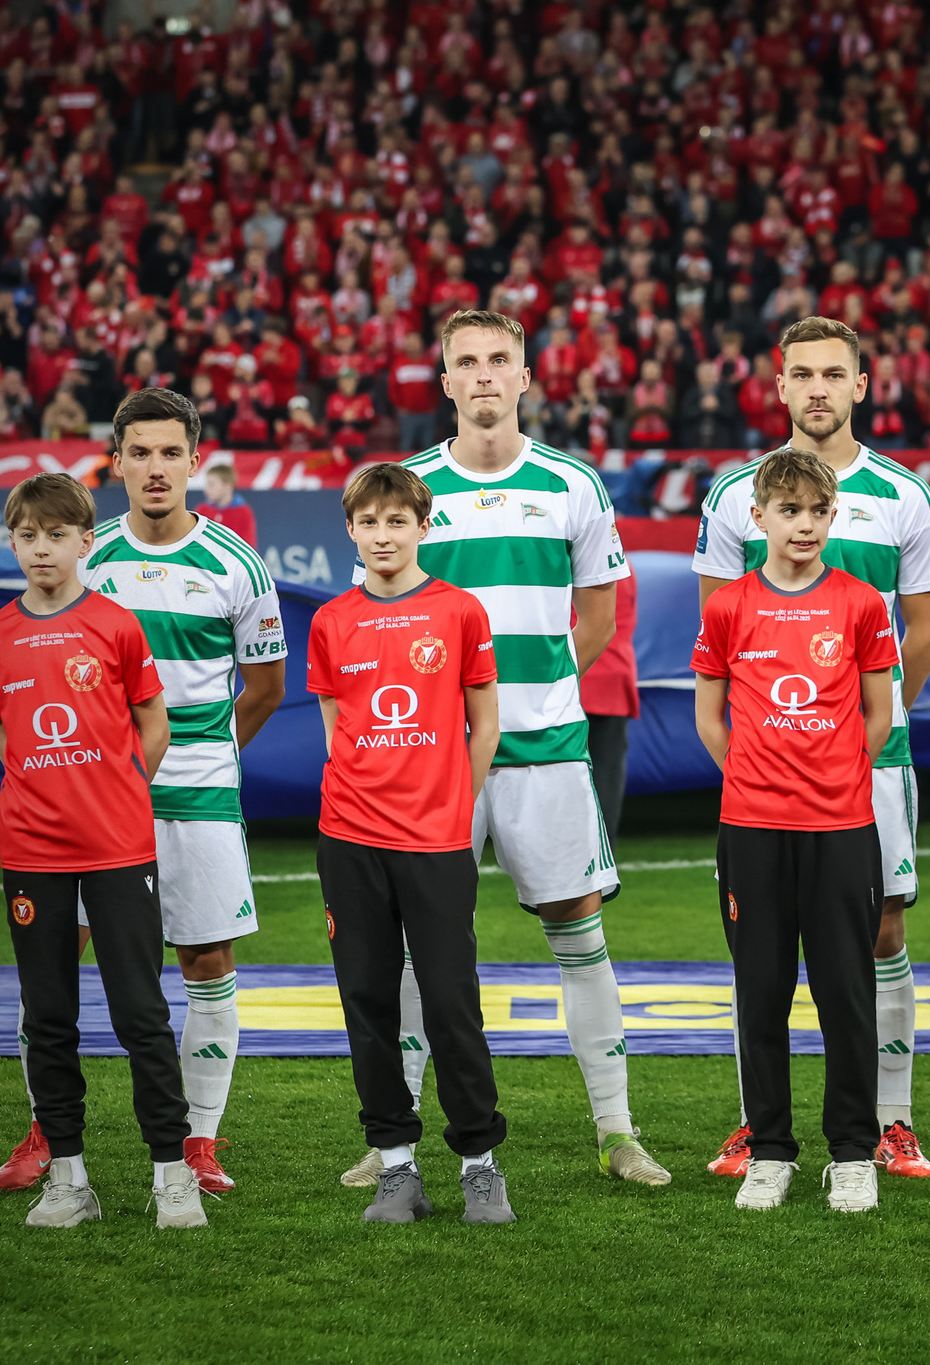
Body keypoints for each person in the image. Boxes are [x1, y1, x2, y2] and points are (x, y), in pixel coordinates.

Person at [340, 309, 669, 1187]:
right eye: (467, 361)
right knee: (419, 946)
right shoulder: (406, 487)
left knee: (578, 930)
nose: (483, 374)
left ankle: (617, 1130)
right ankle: (392, 1136)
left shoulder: (573, 484)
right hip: (432, 759)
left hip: (547, 750)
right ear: (446, 381)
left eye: (498, 360)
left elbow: (596, 619)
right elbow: (375, 620)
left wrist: (532, 688)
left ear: (524, 377)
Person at [0, 390, 286, 1197]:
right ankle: (47, 1132)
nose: (156, 468)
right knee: (57, 961)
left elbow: (265, 686)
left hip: (199, 792)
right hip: (89, 796)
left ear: (196, 460)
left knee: (206, 958)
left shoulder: (238, 564)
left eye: (171, 452)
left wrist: (208, 754)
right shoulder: (88, 556)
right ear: (115, 462)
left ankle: (198, 1141)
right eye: (141, 452)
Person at [691, 315, 930, 1181]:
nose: (818, 389)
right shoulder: (735, 494)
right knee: (759, 958)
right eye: (802, 374)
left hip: (869, 756)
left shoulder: (905, 493)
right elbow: (725, 636)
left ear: (860, 385)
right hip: (766, 776)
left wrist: (861, 734)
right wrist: (756, 761)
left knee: (882, 930)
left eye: (834, 374)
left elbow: (924, 631)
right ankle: (756, 1127)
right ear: (780, 386)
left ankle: (890, 1121)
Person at [0, 472, 202, 1231]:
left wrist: (119, 790)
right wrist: (41, 794)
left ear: (85, 541)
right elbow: (4, 731)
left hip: (118, 846)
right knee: (48, 1017)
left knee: (141, 1012)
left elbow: (154, 723)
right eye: (27, 536)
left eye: (56, 535)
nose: (41, 548)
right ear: (13, 543)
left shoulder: (116, 624)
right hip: (31, 851)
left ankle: (172, 1174)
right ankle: (68, 1179)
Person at [693, 447, 898, 1213]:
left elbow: (878, 713)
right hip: (752, 828)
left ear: (832, 516)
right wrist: (753, 774)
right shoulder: (728, 606)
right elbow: (709, 715)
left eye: (817, 511)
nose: (804, 524)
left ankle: (853, 1152)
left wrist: (834, 774)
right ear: (759, 517)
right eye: (789, 510)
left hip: (841, 827)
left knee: (846, 993)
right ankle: (770, 1150)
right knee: (762, 993)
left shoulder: (861, 602)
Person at [309, 462, 513, 1224]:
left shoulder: (459, 610)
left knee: (451, 1000)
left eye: (398, 520)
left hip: (435, 838)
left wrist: (454, 800)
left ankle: (479, 1164)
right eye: (369, 521)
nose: (383, 534)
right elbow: (337, 732)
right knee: (367, 1001)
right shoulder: (331, 620)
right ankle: (396, 1165)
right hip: (350, 836)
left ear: (424, 527)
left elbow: (485, 724)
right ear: (351, 530)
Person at [581, 572, 639, 846]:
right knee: (606, 779)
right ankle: (603, 858)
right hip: (613, 678)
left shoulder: (564, 558)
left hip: (575, 676)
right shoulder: (623, 565)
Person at [193, 460, 257, 547]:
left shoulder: (244, 512)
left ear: (228, 486)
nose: (206, 489)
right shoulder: (201, 510)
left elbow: (248, 546)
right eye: (207, 484)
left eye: (212, 484)